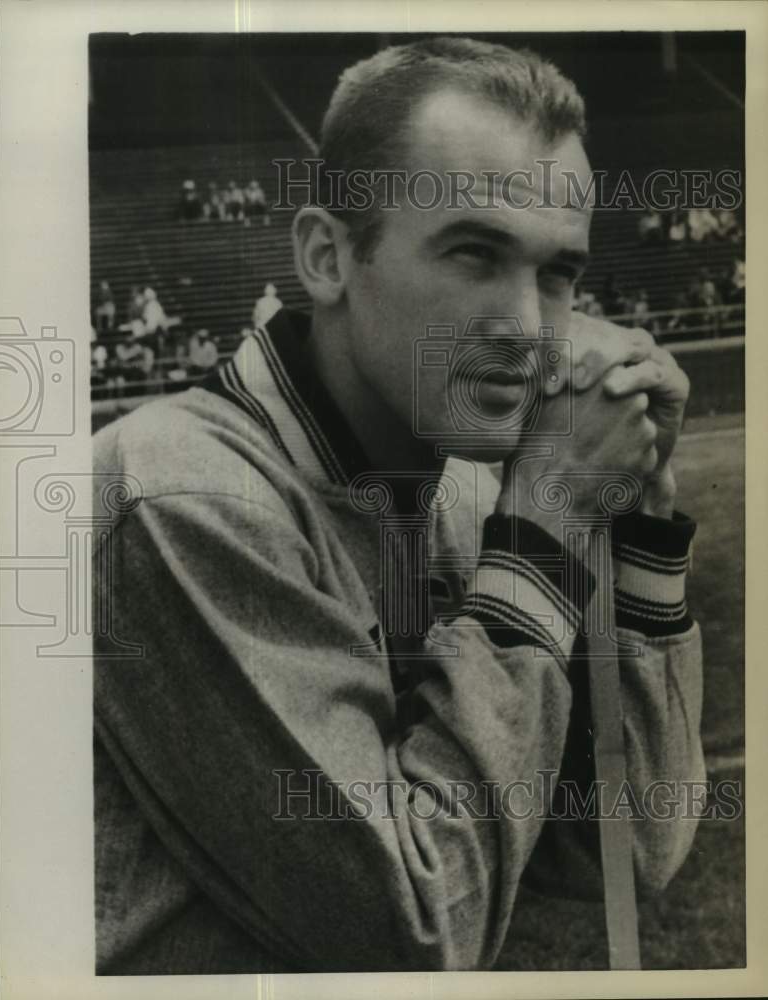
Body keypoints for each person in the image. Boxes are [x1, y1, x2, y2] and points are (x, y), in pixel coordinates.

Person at [93, 38, 703, 975]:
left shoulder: (455, 488)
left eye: (556, 273)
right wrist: (541, 525)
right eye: (473, 253)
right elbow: (408, 934)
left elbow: (623, 846)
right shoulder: (182, 495)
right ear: (327, 257)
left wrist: (641, 532)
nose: (527, 326)